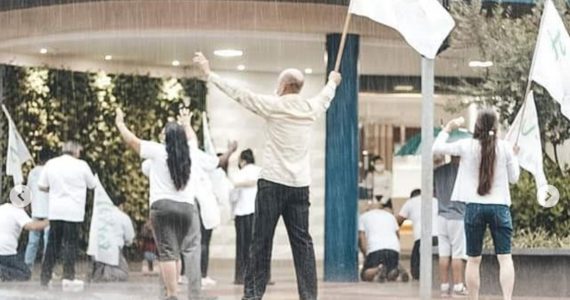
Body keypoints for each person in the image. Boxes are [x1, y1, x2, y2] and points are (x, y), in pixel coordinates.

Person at [193, 52, 341, 300]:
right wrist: (333, 82)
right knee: (303, 244)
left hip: (272, 183)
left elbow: (239, 94)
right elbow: (326, 96)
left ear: (283, 86)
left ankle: (252, 296)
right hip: (299, 186)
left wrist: (209, 74)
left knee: (261, 242)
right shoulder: (311, 108)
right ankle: (308, 297)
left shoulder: (273, 105)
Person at [116, 107, 223, 300]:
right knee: (178, 251)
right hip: (187, 209)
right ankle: (181, 291)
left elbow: (133, 141)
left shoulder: (158, 151)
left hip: (162, 208)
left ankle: (172, 294)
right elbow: (192, 139)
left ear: (166, 138)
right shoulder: (190, 153)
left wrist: (121, 124)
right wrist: (187, 124)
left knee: (167, 253)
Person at [433, 111, 520, 300]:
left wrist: (448, 127)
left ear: (477, 127)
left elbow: (436, 148)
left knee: (473, 260)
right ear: (496, 128)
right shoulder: (505, 147)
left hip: (474, 208)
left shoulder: (466, 146)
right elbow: (514, 179)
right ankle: (507, 298)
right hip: (499, 208)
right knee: (505, 258)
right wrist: (514, 157)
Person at [39, 141, 97, 288]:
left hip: (56, 210)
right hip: (74, 211)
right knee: (70, 244)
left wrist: (54, 190)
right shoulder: (82, 165)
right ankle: (68, 277)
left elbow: (42, 186)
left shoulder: (51, 164)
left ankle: (45, 277)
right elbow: (92, 185)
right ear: (75, 151)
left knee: (53, 244)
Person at [434, 155, 468, 297]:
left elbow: (434, 192)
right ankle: (458, 286)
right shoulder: (464, 172)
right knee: (457, 253)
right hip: (458, 216)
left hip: (441, 216)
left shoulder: (438, 171)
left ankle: (444, 286)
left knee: (443, 253)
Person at [231, 149, 262, 285]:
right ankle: (261, 277)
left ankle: (241, 276)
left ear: (242, 161)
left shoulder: (239, 173)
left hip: (242, 213)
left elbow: (233, 196)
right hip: (258, 213)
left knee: (242, 247)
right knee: (259, 245)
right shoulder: (260, 171)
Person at [358, 198, 406, 283]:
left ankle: (378, 269)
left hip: (375, 248)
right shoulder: (390, 216)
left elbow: (362, 238)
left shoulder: (363, 217)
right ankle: (394, 270)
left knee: (364, 274)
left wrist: (366, 254)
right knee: (389, 270)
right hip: (393, 248)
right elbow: (397, 235)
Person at [0, 202, 49, 281]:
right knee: (25, 273)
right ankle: (2, 271)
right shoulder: (18, 211)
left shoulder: (2, 208)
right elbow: (32, 226)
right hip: (6, 253)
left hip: (6, 252)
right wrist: (48, 222)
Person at [397, 189, 439, 281]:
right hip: (439, 236)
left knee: (416, 264)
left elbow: (398, 221)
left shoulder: (410, 202)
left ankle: (418, 278)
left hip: (421, 238)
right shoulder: (435, 200)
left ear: (412, 196)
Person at [90, 197, 135, 282]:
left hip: (96, 250)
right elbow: (130, 238)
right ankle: (108, 272)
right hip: (114, 250)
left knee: (97, 270)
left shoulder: (99, 216)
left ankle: (99, 272)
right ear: (121, 205)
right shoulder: (123, 217)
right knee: (124, 274)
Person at [24, 148, 53, 270]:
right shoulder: (50, 172)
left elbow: (28, 191)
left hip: (36, 209)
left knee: (33, 241)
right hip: (49, 210)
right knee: (48, 241)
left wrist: (27, 206)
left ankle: (27, 267)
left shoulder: (32, 172)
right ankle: (46, 268)